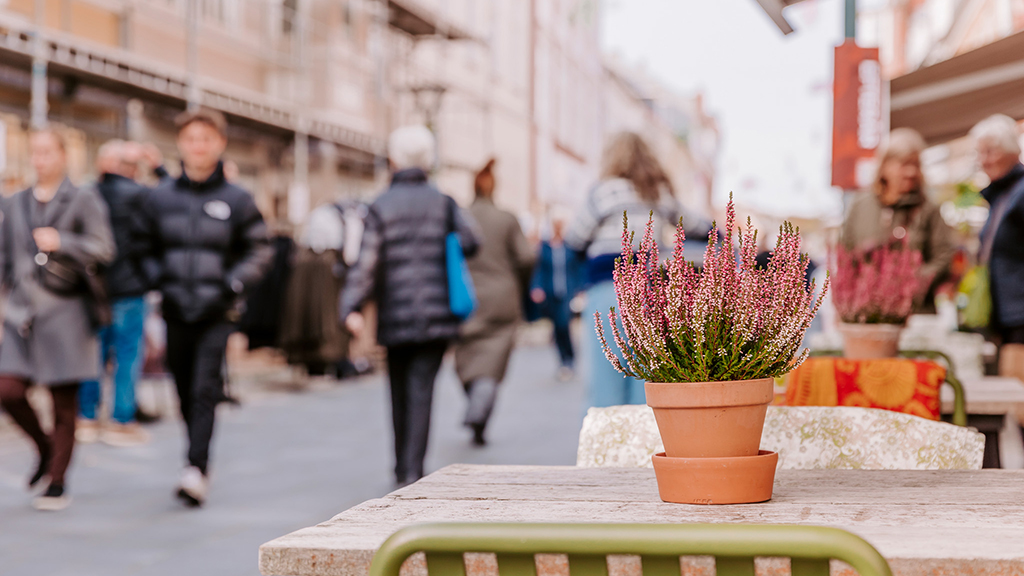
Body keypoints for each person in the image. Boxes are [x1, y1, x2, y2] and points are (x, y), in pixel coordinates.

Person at [134, 108, 272, 506]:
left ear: (220, 144)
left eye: (206, 139)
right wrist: (159, 280)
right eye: (192, 139)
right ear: (181, 145)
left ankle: (196, 467)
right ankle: (193, 456)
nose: (199, 146)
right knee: (181, 386)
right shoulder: (159, 198)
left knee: (204, 388)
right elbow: (141, 246)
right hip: (175, 308)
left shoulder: (238, 199)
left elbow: (259, 249)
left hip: (217, 311)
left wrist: (233, 283)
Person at [341, 125, 480, 486]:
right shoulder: (444, 202)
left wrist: (350, 306)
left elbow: (366, 262)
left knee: (398, 389)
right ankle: (412, 471)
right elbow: (472, 239)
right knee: (422, 391)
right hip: (437, 317)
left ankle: (402, 467)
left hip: (395, 315)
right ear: (428, 160)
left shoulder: (380, 205)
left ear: (393, 160)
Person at [0, 128, 116, 510]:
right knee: (9, 389)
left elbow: (104, 248)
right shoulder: (16, 202)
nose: (40, 160)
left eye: (47, 152)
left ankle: (58, 479)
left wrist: (63, 241)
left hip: (67, 313)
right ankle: (46, 446)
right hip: (21, 315)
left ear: (63, 155)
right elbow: (5, 258)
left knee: (62, 401)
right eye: (34, 152)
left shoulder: (84, 198)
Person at [565, 132, 697, 409]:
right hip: (648, 292)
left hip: (607, 289)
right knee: (645, 377)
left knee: (605, 378)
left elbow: (575, 238)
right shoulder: (657, 192)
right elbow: (695, 224)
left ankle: (605, 448)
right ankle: (643, 446)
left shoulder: (603, 191)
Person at [453, 160, 535, 446]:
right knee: (493, 358)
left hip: (466, 298)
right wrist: (519, 283)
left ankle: (476, 401)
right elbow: (526, 258)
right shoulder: (507, 219)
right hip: (502, 297)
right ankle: (480, 403)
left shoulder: (459, 217)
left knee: (468, 356)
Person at [76, 140, 152, 447]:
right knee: (127, 355)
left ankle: (87, 416)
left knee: (93, 353)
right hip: (130, 288)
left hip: (94, 289)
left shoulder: (86, 194)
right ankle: (121, 420)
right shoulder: (140, 195)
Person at [840, 128, 955, 309]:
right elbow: (845, 254)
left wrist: (912, 284)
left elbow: (944, 257)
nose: (911, 172)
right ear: (884, 167)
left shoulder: (928, 209)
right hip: (865, 309)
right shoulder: (861, 205)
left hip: (915, 311)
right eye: (904, 164)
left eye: (916, 165)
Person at [971, 114, 1024, 344]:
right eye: (980, 153)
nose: (984, 160)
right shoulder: (1001, 195)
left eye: (991, 151)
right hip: (1006, 312)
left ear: (1012, 151)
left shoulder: (1019, 194)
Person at [530, 208, 584, 381]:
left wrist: (581, 288)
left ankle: (569, 358)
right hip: (551, 292)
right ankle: (562, 360)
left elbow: (577, 269)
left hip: (567, 292)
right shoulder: (546, 247)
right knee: (556, 328)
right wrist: (536, 287)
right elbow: (539, 269)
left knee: (563, 324)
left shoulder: (570, 247)